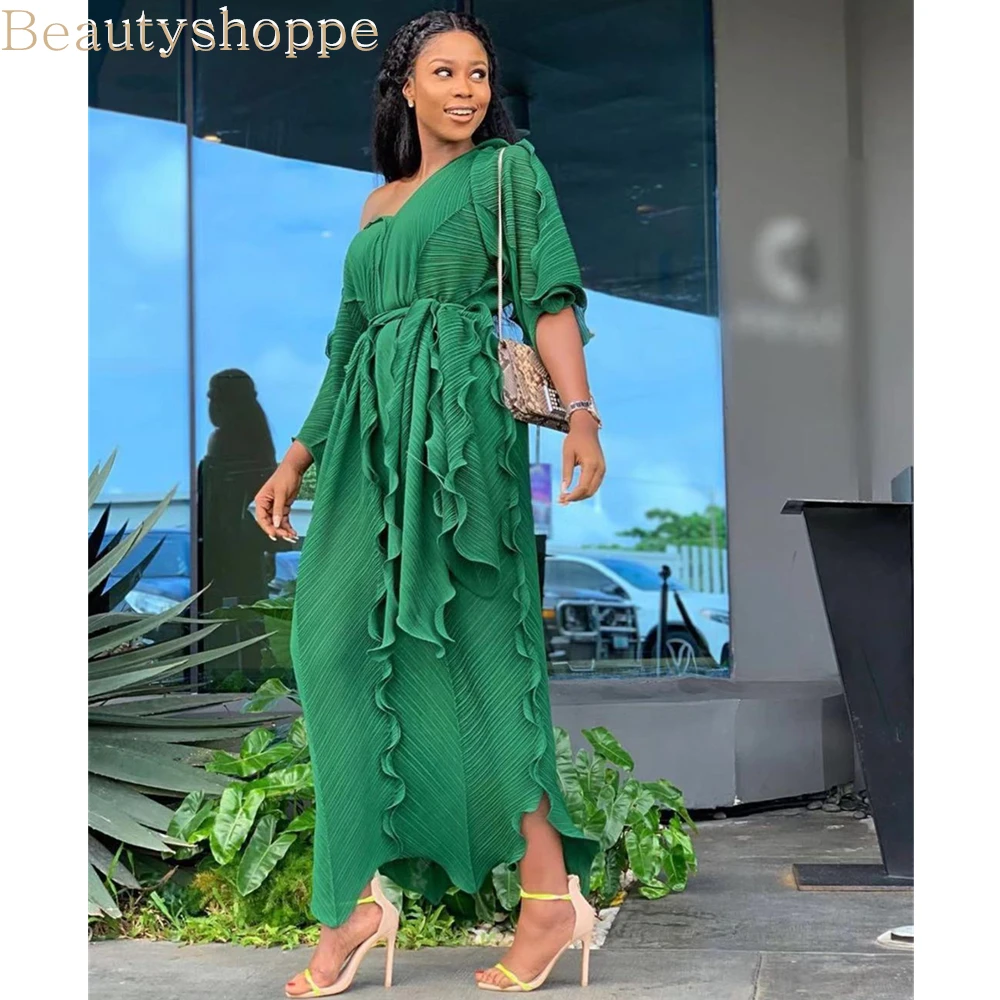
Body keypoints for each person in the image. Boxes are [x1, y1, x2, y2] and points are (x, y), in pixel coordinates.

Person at [253, 9, 607, 995]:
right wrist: (295, 458)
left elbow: (547, 297)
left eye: (479, 74)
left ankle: (547, 896)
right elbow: (347, 347)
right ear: (404, 86)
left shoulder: (507, 173)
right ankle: (360, 900)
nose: (465, 89)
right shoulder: (377, 205)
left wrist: (580, 416)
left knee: (481, 658)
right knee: (330, 649)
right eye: (444, 72)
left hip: (459, 440)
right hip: (368, 451)